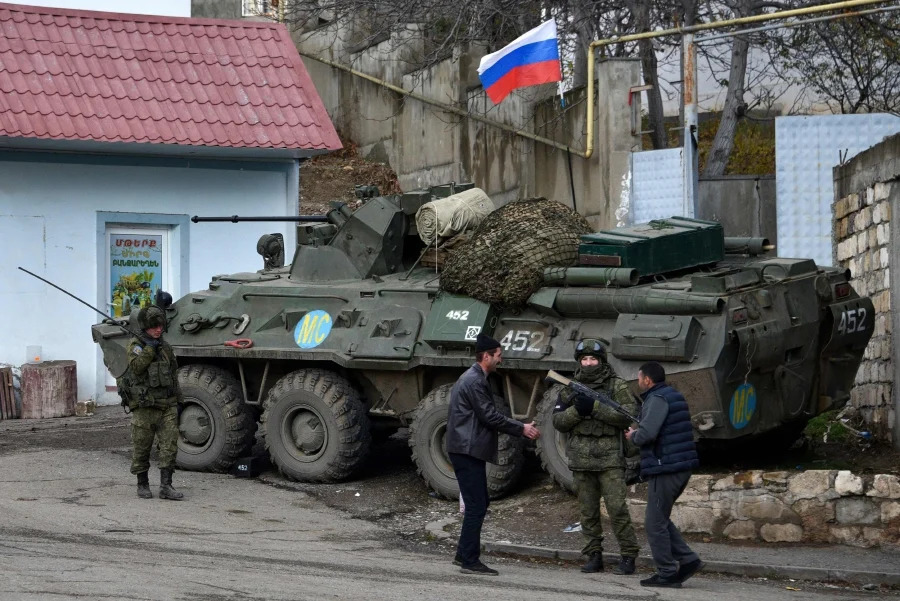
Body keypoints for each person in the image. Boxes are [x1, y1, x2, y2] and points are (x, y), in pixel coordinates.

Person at [446, 333, 541, 575]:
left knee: (478, 502)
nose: (501, 360)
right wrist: (522, 428)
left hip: (465, 449)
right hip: (467, 450)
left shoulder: (473, 378)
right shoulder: (475, 381)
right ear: (486, 356)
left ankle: (463, 555)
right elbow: (490, 416)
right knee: (477, 504)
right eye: (498, 356)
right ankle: (469, 560)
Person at [552, 339, 639, 575]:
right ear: (579, 361)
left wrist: (596, 408)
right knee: (587, 512)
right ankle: (593, 555)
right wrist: (578, 411)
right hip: (581, 461)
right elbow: (558, 422)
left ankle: (629, 556)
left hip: (610, 460)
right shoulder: (570, 387)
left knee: (617, 510)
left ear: (601, 361)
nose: (589, 364)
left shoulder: (617, 386)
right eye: (585, 360)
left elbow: (627, 416)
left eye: (593, 360)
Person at [625, 361, 702, 588]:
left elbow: (648, 433)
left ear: (647, 380)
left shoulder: (656, 399)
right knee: (660, 519)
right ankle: (688, 560)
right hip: (677, 465)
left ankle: (667, 573)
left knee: (653, 523)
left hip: (666, 467)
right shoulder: (671, 395)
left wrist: (634, 436)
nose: (638, 382)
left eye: (639, 378)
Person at [119, 304, 184, 501]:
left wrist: (179, 401)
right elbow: (137, 368)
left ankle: (166, 486)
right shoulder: (136, 346)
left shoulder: (165, 347)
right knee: (142, 446)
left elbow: (173, 375)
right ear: (145, 326)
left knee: (169, 446)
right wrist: (149, 349)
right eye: (154, 326)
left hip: (167, 405)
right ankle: (143, 484)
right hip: (145, 406)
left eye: (160, 326)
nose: (158, 329)